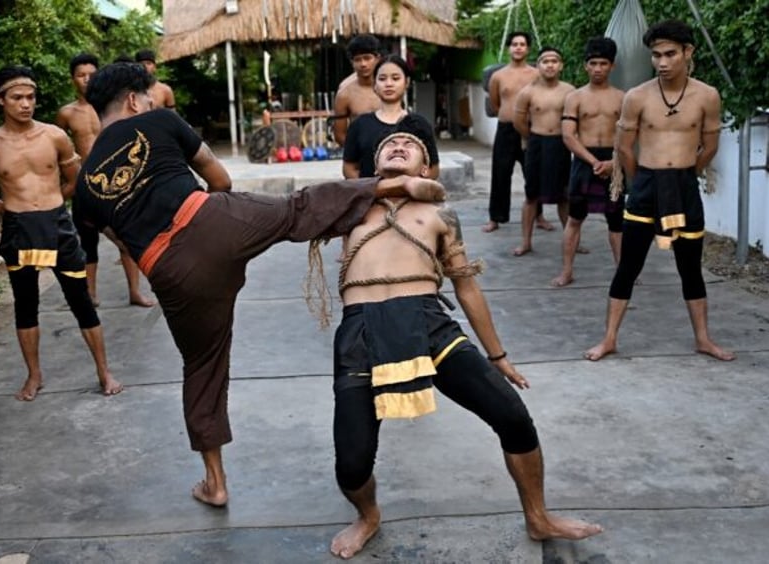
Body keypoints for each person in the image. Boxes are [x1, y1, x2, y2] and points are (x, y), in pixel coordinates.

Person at [73, 63, 447, 509]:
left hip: (170, 271)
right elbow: (221, 180)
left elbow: (123, 244)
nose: (152, 103)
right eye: (149, 97)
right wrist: (221, 225)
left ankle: (214, 482)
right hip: (209, 220)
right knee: (296, 209)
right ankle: (391, 187)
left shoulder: (82, 190)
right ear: (135, 100)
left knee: (203, 367)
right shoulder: (159, 121)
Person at [328, 126, 603, 558]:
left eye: (410, 147)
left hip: (428, 320)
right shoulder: (350, 205)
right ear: (374, 165)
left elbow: (466, 287)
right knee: (352, 461)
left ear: (426, 168)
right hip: (361, 329)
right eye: (389, 146)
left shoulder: (440, 216)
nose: (398, 147)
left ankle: (538, 515)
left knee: (512, 417)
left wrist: (499, 356)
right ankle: (368, 515)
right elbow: (306, 205)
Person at [0, 65, 122, 401]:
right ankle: (34, 376)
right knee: (26, 305)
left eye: (31, 97)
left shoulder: (54, 135)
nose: (26, 104)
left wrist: (52, 205)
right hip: (19, 229)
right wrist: (10, 209)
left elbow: (74, 180)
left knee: (81, 302)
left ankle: (104, 372)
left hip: (57, 225)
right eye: (17, 97)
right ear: (0, 100)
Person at [585, 19, 734, 362]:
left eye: (670, 54)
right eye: (656, 55)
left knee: (690, 267)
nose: (662, 62)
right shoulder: (637, 97)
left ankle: (703, 339)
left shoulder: (707, 96)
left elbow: (709, 146)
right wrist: (642, 183)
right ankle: (609, 339)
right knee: (628, 266)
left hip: (683, 185)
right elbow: (624, 149)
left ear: (688, 52)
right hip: (646, 184)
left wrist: (686, 175)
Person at [56, 53, 154, 307]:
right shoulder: (66, 113)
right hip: (84, 185)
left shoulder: (112, 106)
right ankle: (90, 294)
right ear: (72, 79)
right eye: (81, 75)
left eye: (91, 74)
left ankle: (135, 291)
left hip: (116, 182)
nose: (86, 79)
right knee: (87, 243)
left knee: (126, 240)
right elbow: (59, 148)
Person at [552, 38, 626, 287]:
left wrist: (614, 163)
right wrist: (596, 162)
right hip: (585, 163)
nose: (597, 68)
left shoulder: (623, 98)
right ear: (586, 66)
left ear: (612, 66)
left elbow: (630, 137)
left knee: (616, 221)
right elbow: (568, 135)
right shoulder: (575, 98)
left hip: (614, 163)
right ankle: (567, 271)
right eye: (593, 63)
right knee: (575, 218)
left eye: (603, 63)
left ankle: (623, 271)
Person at [482, 32, 552, 234]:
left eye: (522, 44)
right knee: (500, 174)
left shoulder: (537, 75)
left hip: (531, 130)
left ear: (528, 48)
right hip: (506, 130)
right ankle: (496, 218)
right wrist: (509, 115)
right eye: (514, 44)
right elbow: (495, 103)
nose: (518, 47)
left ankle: (538, 215)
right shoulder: (498, 75)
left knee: (534, 174)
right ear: (509, 48)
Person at [513, 46, 575, 257]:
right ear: (537, 65)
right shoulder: (527, 92)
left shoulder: (569, 91)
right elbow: (519, 121)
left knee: (565, 195)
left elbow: (577, 120)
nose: (550, 64)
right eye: (545, 61)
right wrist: (531, 138)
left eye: (554, 61)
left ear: (561, 65)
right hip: (537, 145)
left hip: (561, 145)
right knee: (531, 196)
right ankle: (526, 241)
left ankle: (572, 241)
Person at [342, 54, 439, 180]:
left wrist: (408, 189)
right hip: (371, 198)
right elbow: (348, 169)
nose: (389, 84)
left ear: (407, 82)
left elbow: (434, 170)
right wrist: (373, 190)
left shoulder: (420, 124)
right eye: (382, 79)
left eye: (395, 78)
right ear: (374, 85)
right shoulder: (359, 125)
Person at [332, 35, 383, 146]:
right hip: (360, 154)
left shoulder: (389, 86)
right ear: (352, 62)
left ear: (377, 59)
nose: (363, 64)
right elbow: (340, 135)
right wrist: (357, 154)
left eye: (367, 58)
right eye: (358, 60)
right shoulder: (344, 93)